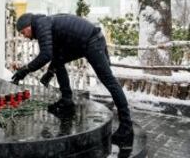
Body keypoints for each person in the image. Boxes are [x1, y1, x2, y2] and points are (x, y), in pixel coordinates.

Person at [11, 13, 134, 146]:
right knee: (58, 62)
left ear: (28, 27)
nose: (25, 36)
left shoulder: (41, 25)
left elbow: (46, 55)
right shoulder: (43, 23)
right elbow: (56, 53)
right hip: (82, 43)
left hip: (92, 41)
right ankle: (66, 100)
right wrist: (50, 72)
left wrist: (25, 70)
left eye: (23, 32)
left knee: (109, 81)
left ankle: (126, 126)